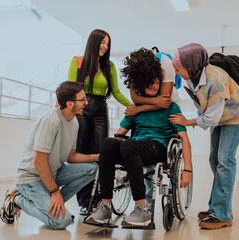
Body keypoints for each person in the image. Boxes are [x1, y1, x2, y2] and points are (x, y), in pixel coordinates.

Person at [87, 48, 192, 227]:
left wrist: (187, 170)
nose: (153, 86)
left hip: (158, 148)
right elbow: (120, 133)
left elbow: (184, 139)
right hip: (135, 150)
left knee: (129, 146)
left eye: (157, 82)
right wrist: (110, 149)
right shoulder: (135, 109)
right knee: (108, 143)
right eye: (148, 83)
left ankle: (141, 208)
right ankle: (105, 205)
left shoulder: (171, 108)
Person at [169, 43, 239, 230]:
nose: (177, 73)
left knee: (225, 160)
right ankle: (218, 207)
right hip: (222, 117)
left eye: (178, 69)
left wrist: (187, 122)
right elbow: (205, 108)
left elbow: (211, 118)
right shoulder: (194, 78)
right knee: (215, 160)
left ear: (190, 65)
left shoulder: (215, 79)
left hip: (236, 117)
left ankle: (222, 214)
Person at [0, 81, 99, 230]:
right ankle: (17, 199)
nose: (86, 102)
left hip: (53, 173)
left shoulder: (74, 122)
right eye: (83, 99)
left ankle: (55, 207)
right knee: (61, 222)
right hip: (30, 178)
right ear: (70, 104)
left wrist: (96, 157)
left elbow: (70, 156)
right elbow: (39, 162)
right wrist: (55, 191)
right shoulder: (50, 121)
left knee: (92, 168)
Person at [67, 29, 131, 214]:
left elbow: (116, 92)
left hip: (101, 111)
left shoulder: (108, 65)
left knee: (100, 154)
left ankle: (99, 199)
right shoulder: (77, 62)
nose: (105, 46)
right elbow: (70, 89)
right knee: (82, 154)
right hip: (81, 110)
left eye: (107, 43)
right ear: (93, 42)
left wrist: (135, 106)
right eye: (102, 42)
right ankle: (84, 200)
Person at [123, 47, 181, 208]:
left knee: (166, 143)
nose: (152, 84)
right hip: (147, 104)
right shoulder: (135, 70)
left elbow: (165, 101)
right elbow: (135, 97)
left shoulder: (166, 64)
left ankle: (170, 194)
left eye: (155, 80)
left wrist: (139, 108)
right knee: (142, 143)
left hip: (167, 108)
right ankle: (147, 201)